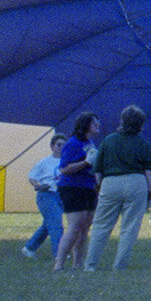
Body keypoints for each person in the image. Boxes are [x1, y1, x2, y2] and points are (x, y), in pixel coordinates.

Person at [83, 106, 151, 271]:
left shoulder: (108, 140)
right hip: (136, 182)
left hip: (110, 182)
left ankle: (90, 265)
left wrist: (101, 187)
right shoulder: (143, 143)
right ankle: (119, 265)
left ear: (122, 121)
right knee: (130, 227)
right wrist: (150, 191)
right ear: (140, 124)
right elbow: (150, 173)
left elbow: (98, 170)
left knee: (101, 225)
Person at [51, 114, 101, 273]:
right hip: (72, 188)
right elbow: (64, 169)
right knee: (75, 226)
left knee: (85, 227)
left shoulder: (90, 143)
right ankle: (58, 264)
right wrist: (86, 162)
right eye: (94, 123)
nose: (98, 124)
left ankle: (78, 264)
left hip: (88, 187)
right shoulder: (72, 143)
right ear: (86, 125)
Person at [22, 134, 66, 258]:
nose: (61, 147)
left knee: (48, 224)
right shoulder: (45, 162)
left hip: (60, 195)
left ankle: (29, 248)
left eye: (64, 145)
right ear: (52, 146)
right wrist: (37, 185)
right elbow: (32, 177)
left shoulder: (67, 161)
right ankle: (59, 254)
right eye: (58, 144)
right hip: (47, 194)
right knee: (56, 224)